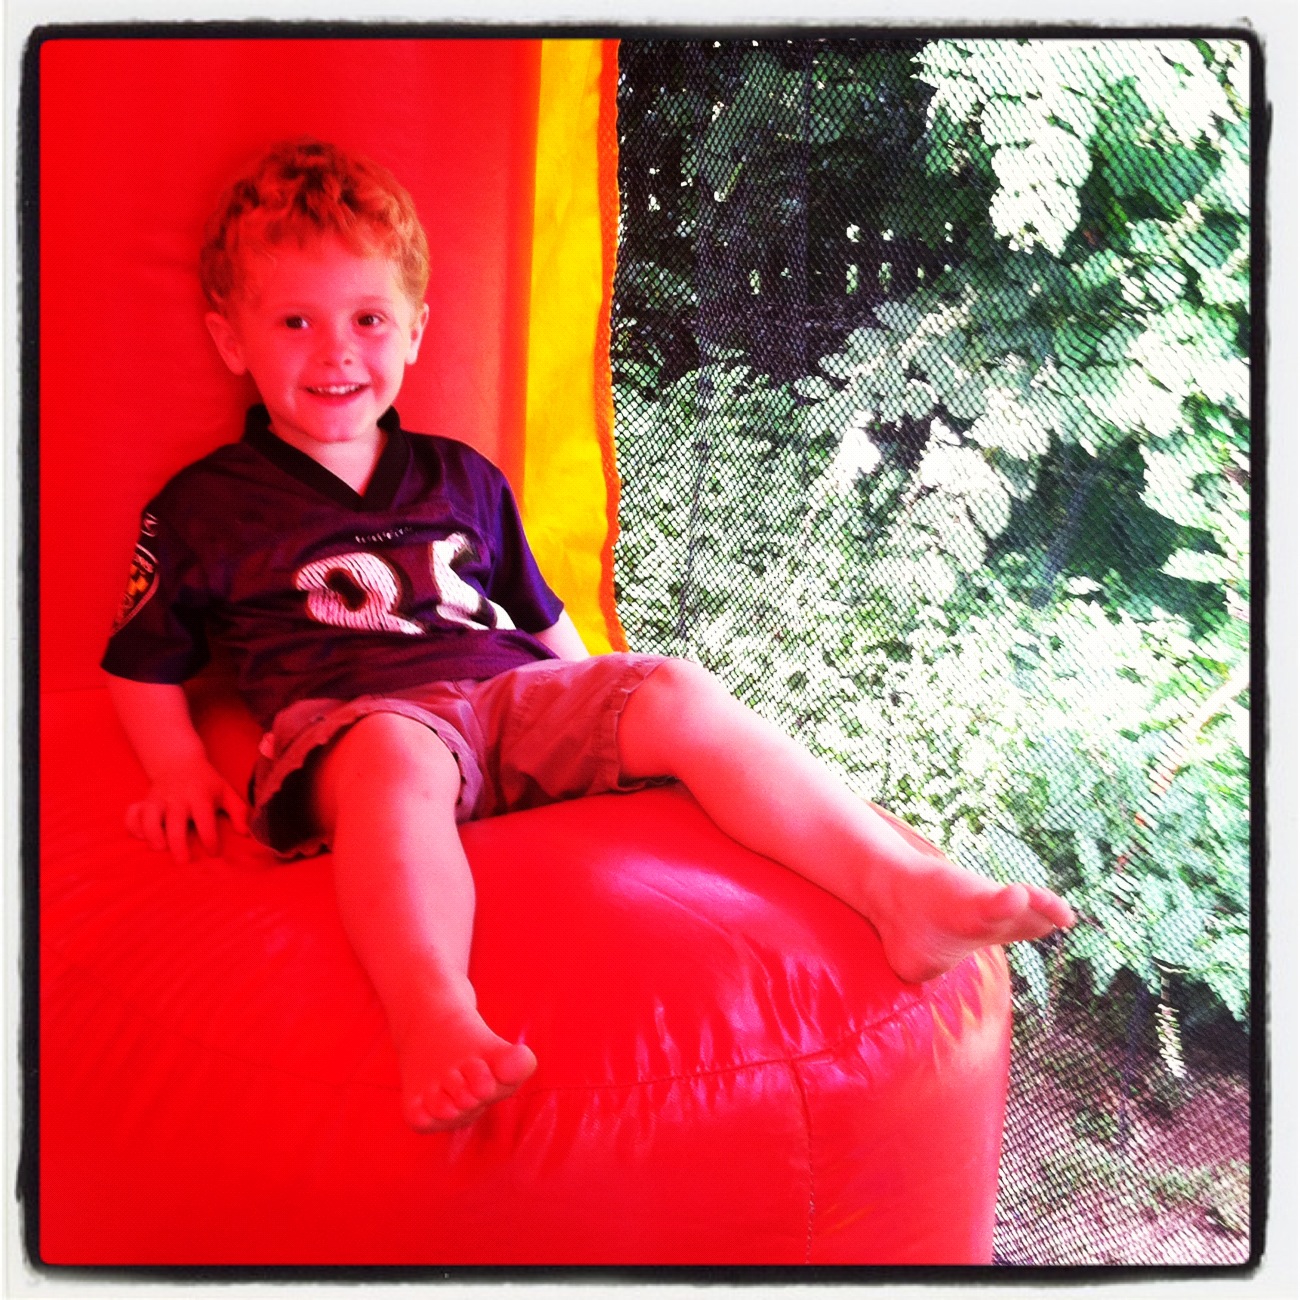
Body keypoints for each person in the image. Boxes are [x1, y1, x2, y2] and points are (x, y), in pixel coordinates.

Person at [104, 139, 1074, 1134]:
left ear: (416, 329)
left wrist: (611, 708)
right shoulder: (206, 506)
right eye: (295, 321)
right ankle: (433, 1012)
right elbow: (140, 661)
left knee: (672, 685)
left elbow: (539, 620)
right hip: (361, 723)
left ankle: (899, 888)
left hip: (500, 698)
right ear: (231, 340)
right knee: (399, 753)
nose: (337, 352)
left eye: (368, 319)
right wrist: (176, 766)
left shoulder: (461, 476)